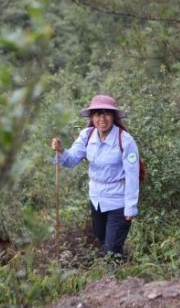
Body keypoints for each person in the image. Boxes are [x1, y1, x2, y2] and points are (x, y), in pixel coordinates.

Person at [51, 94, 140, 258]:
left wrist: (131, 207)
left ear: (113, 116)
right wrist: (61, 151)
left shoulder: (125, 141)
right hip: (97, 199)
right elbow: (70, 160)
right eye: (98, 114)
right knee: (102, 238)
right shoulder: (87, 136)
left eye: (107, 113)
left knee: (111, 251)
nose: (102, 119)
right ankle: (125, 263)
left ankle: (113, 280)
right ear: (92, 117)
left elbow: (132, 176)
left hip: (118, 201)